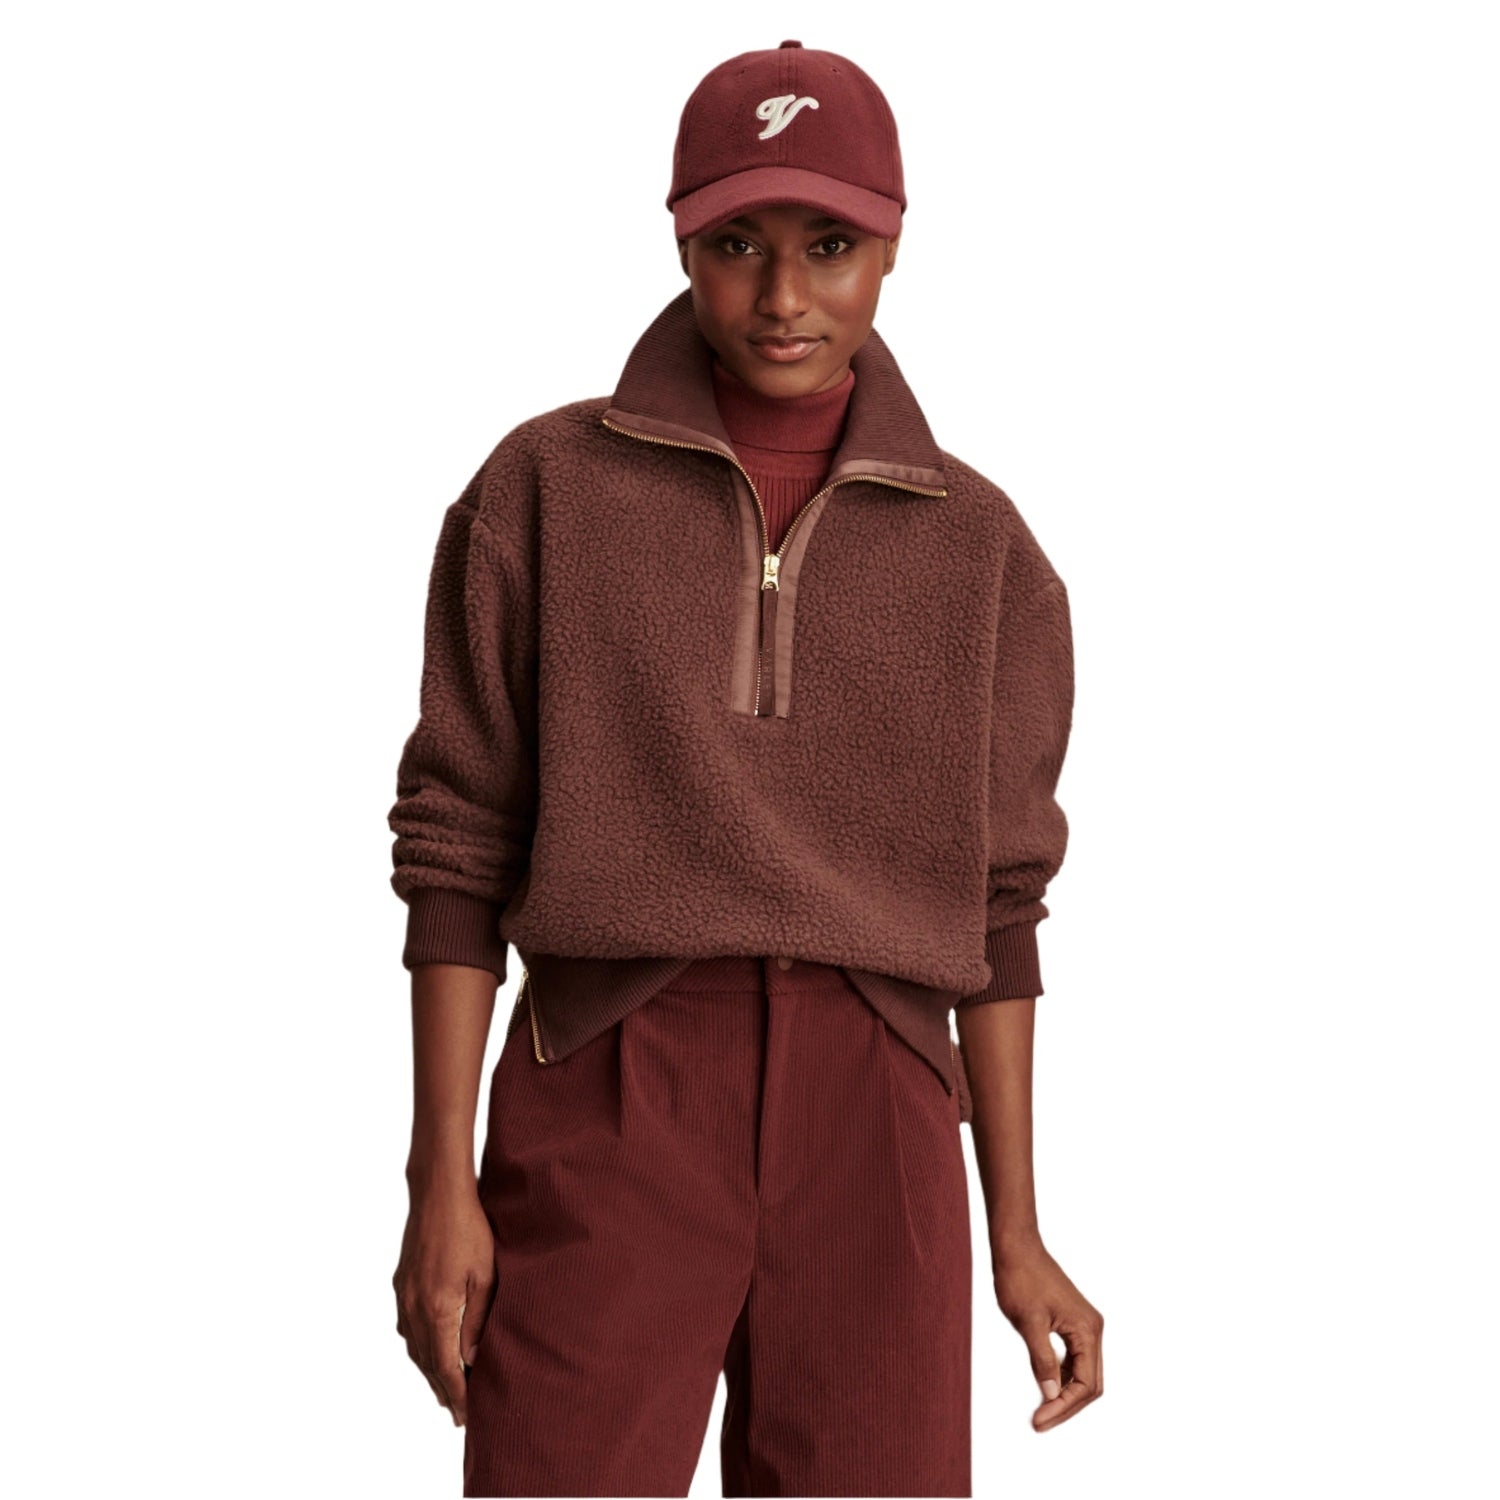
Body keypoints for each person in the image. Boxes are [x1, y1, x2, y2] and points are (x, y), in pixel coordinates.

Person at [388, 39, 1103, 1499]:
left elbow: (1000, 910)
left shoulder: (984, 552)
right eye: (737, 245)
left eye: (828, 245)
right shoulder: (544, 490)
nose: (783, 295)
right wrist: (436, 1179)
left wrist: (1017, 1232)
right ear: (680, 240)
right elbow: (456, 849)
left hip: (881, 1105)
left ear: (892, 246)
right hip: (610, 1081)